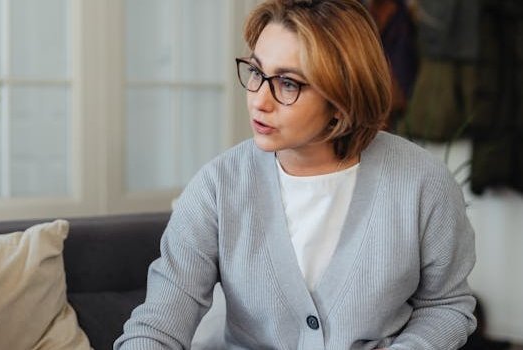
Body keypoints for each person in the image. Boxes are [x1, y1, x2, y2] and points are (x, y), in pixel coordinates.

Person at [115, 0, 476, 349]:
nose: (259, 100)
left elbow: (446, 305)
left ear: (343, 98)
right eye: (256, 72)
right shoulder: (217, 187)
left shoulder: (422, 183)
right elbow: (159, 325)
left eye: (288, 83)